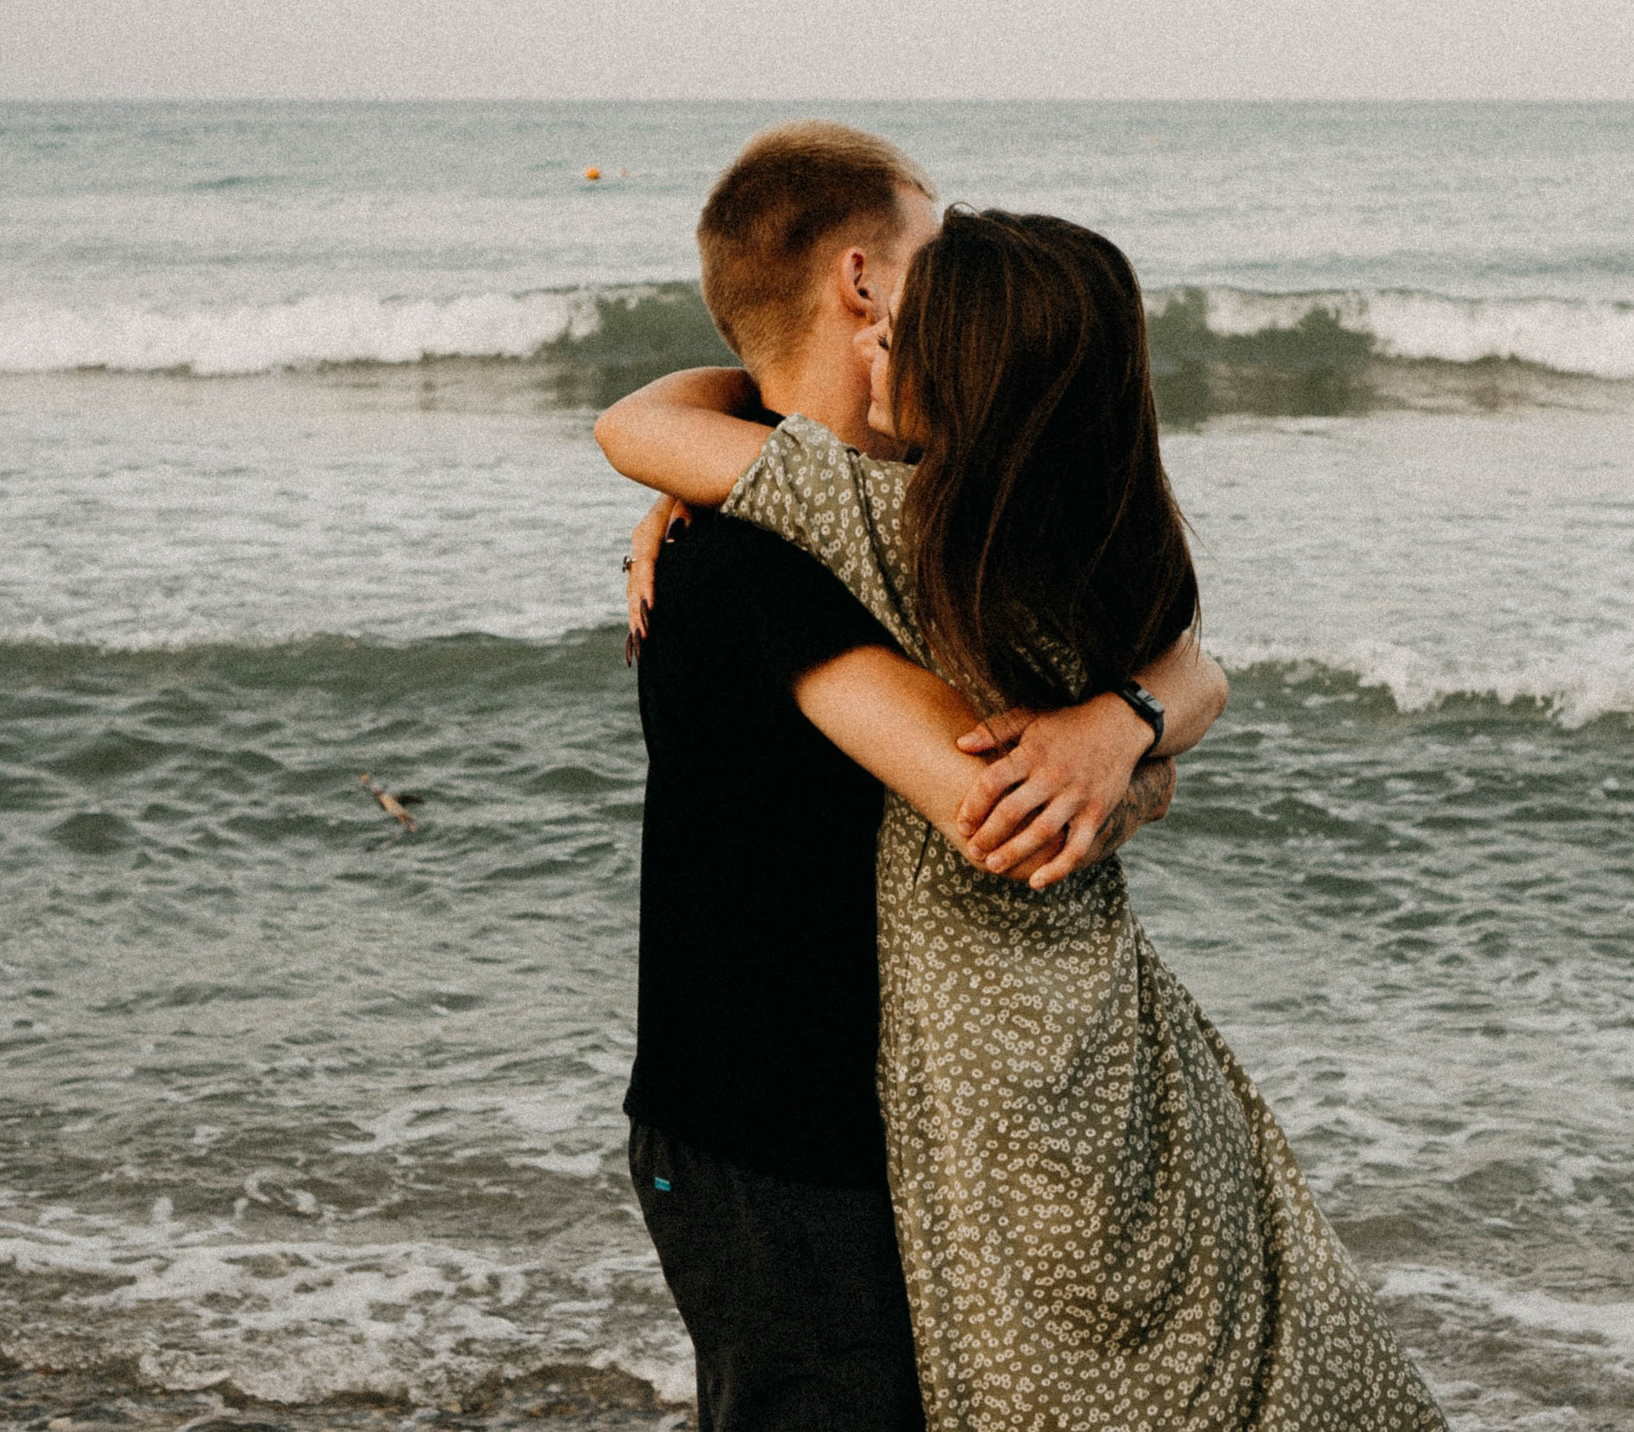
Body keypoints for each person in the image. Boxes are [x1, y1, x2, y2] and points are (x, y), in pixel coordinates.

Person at [599, 198, 1448, 1430]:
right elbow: (1174, 681)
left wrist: (1121, 738)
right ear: (855, 280)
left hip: (977, 1089)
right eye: (910, 275)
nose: (896, 323)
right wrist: (1135, 736)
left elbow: (630, 425)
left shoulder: (873, 516)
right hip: (848, 1113)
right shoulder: (1069, 540)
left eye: (927, 318)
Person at [613, 122, 1229, 1432]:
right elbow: (985, 796)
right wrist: (1124, 759)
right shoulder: (749, 554)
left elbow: (1187, 660)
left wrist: (1123, 719)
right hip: (774, 1140)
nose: (965, 281)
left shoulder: (932, 521)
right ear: (864, 287)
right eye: (938, 251)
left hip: (887, 1133)